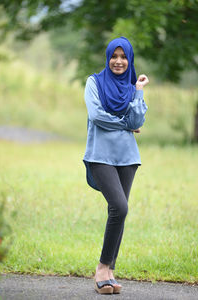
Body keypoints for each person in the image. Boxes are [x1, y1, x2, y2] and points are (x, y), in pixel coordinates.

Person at [83, 37, 149, 294]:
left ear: (129, 59)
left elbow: (138, 117)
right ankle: (102, 267)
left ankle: (109, 271)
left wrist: (140, 90)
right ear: (108, 57)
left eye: (124, 57)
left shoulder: (133, 88)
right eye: (114, 56)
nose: (119, 61)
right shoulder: (94, 83)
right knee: (120, 208)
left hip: (128, 158)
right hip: (100, 155)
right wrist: (127, 124)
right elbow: (96, 115)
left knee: (118, 212)